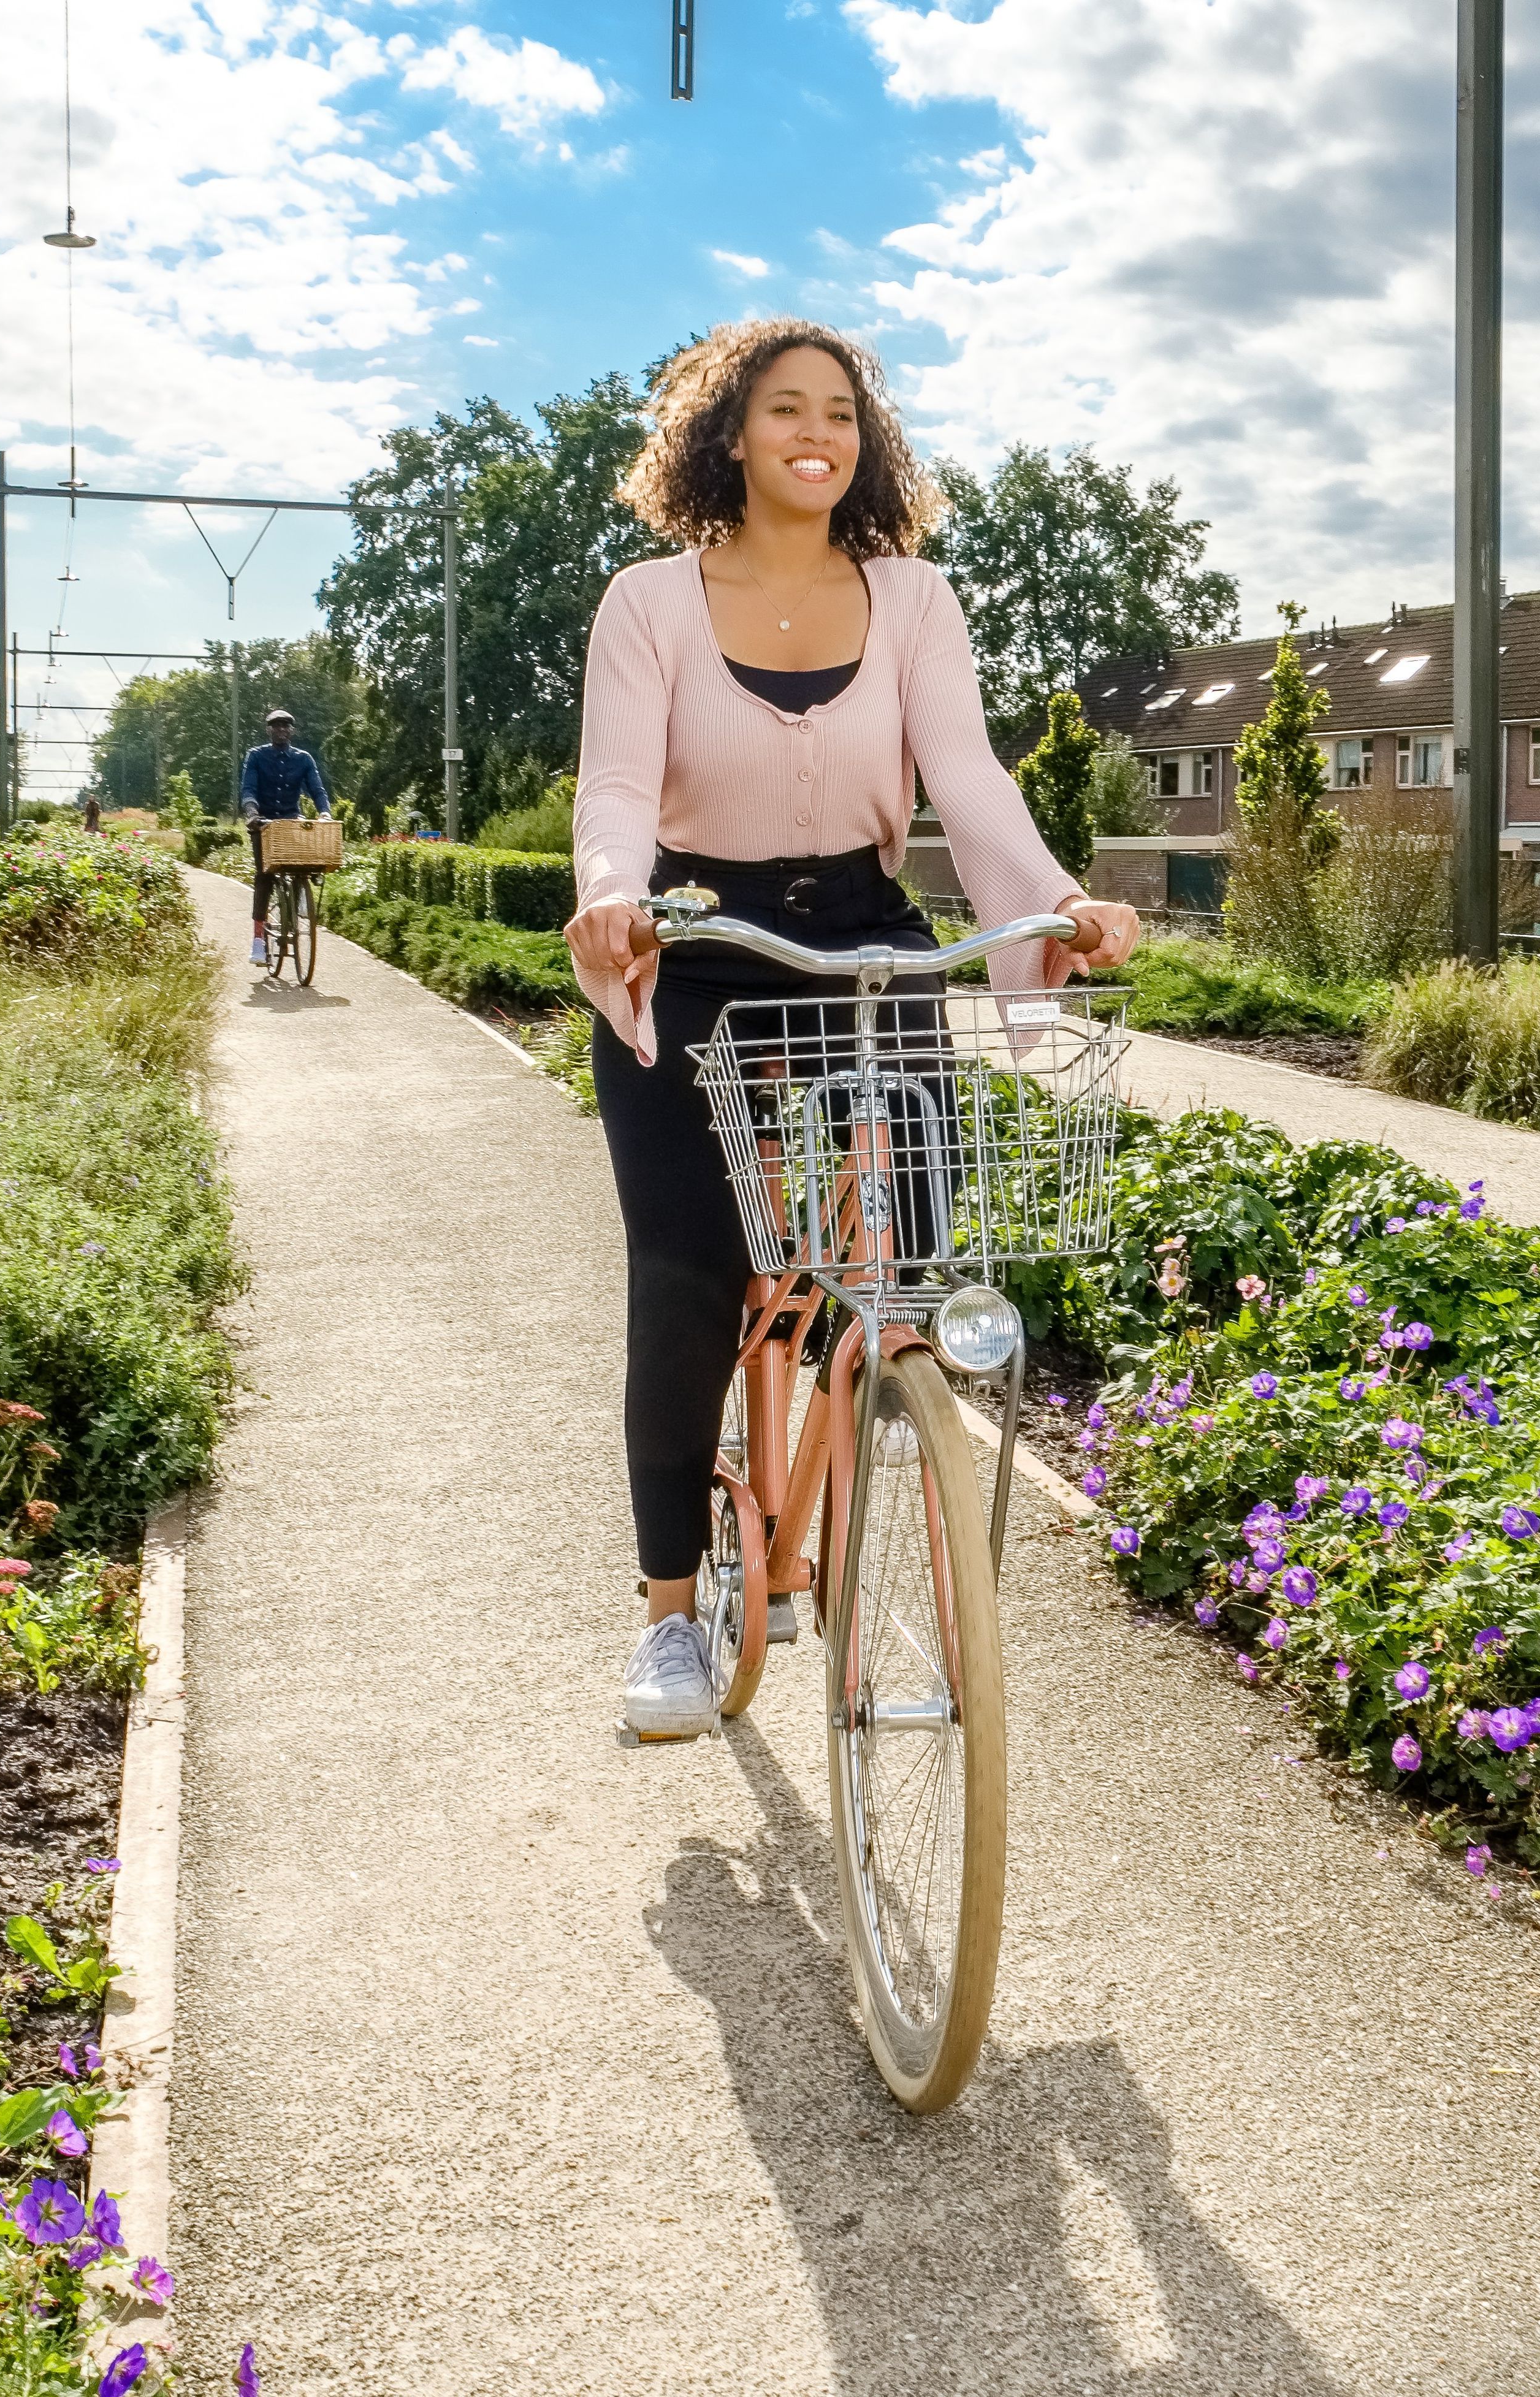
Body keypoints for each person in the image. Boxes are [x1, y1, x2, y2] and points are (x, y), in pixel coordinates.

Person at [566, 317, 1140, 1739]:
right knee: (690, 1270)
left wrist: (1055, 897)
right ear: (732, 436)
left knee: (920, 1252)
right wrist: (609, 898)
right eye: (782, 410)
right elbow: (618, 789)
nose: (815, 430)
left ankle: (870, 1398)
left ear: (862, 444)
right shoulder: (646, 603)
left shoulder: (915, 599)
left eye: (840, 411)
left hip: (869, 945)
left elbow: (967, 775)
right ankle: (670, 1617)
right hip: (701, 943)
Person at [238, 707, 333, 967]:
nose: (281, 730)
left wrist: (324, 813)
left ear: (292, 731)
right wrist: (252, 813)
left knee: (308, 862)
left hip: (291, 821)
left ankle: (302, 895)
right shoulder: (257, 756)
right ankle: (258, 941)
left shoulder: (304, 759)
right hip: (264, 823)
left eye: (285, 726)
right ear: (269, 730)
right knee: (264, 877)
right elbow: (248, 788)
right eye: (276, 726)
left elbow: (317, 788)